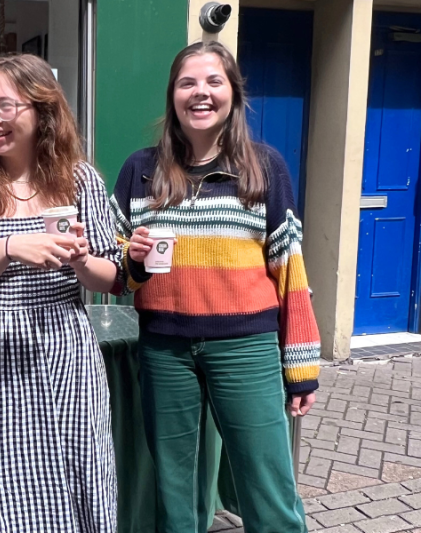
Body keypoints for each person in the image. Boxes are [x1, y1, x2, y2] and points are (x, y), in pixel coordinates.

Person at [110, 41, 319, 533]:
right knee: (174, 488)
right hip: (164, 349)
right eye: (187, 83)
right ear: (172, 95)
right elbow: (117, 270)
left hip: (246, 348)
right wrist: (132, 260)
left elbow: (290, 270)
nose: (200, 93)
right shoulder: (140, 170)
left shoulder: (265, 168)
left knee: (267, 485)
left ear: (233, 94)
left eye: (213, 82)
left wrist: (301, 366)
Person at [0, 54, 120, 532]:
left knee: (75, 472)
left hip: (64, 348)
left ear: (42, 109)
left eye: (6, 106)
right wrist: (9, 248)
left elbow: (109, 276)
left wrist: (80, 260)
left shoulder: (80, 179)